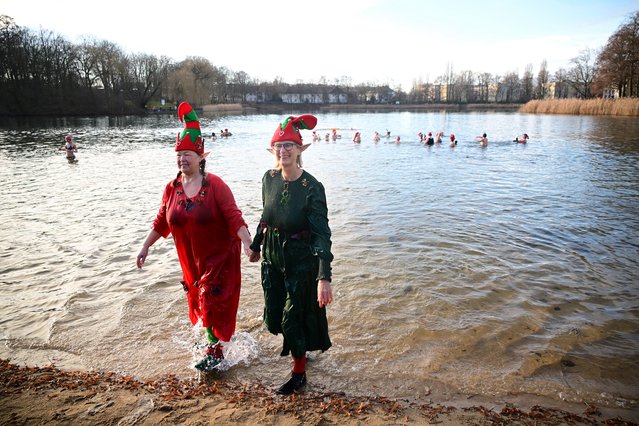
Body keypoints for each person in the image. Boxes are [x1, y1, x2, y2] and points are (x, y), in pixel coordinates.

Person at [136, 102, 253, 372]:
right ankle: (216, 343)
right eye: (179, 154)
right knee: (200, 302)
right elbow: (161, 221)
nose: (182, 159)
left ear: (201, 156)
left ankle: (216, 353)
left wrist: (247, 243)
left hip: (219, 256)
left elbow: (235, 217)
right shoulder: (172, 188)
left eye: (188, 154)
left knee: (211, 299)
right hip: (191, 260)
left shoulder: (216, 185)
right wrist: (145, 247)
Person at [248, 114, 334, 395]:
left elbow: (322, 234)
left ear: (299, 150)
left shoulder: (312, 188)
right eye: (278, 146)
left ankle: (299, 375)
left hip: (300, 259)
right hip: (273, 258)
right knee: (275, 314)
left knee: (291, 315)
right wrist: (256, 244)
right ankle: (301, 349)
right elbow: (266, 215)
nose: (283, 151)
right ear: (273, 151)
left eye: (289, 146)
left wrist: (324, 277)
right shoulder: (269, 178)